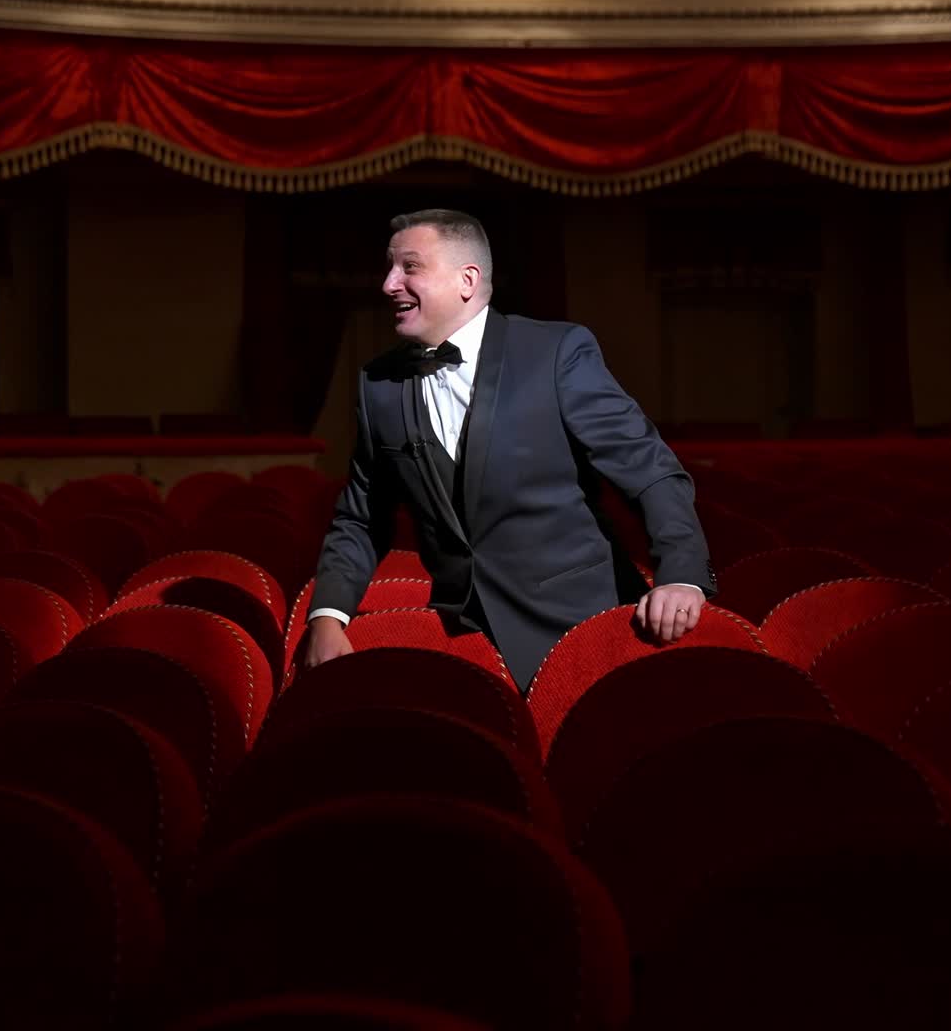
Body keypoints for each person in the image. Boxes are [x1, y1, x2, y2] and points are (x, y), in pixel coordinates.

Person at [304, 208, 716, 693]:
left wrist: (683, 575)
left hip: (584, 630)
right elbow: (361, 517)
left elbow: (649, 470)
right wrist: (327, 616)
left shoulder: (558, 351)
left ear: (467, 279)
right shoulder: (378, 383)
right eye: (390, 267)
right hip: (464, 645)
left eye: (409, 267)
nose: (389, 283)